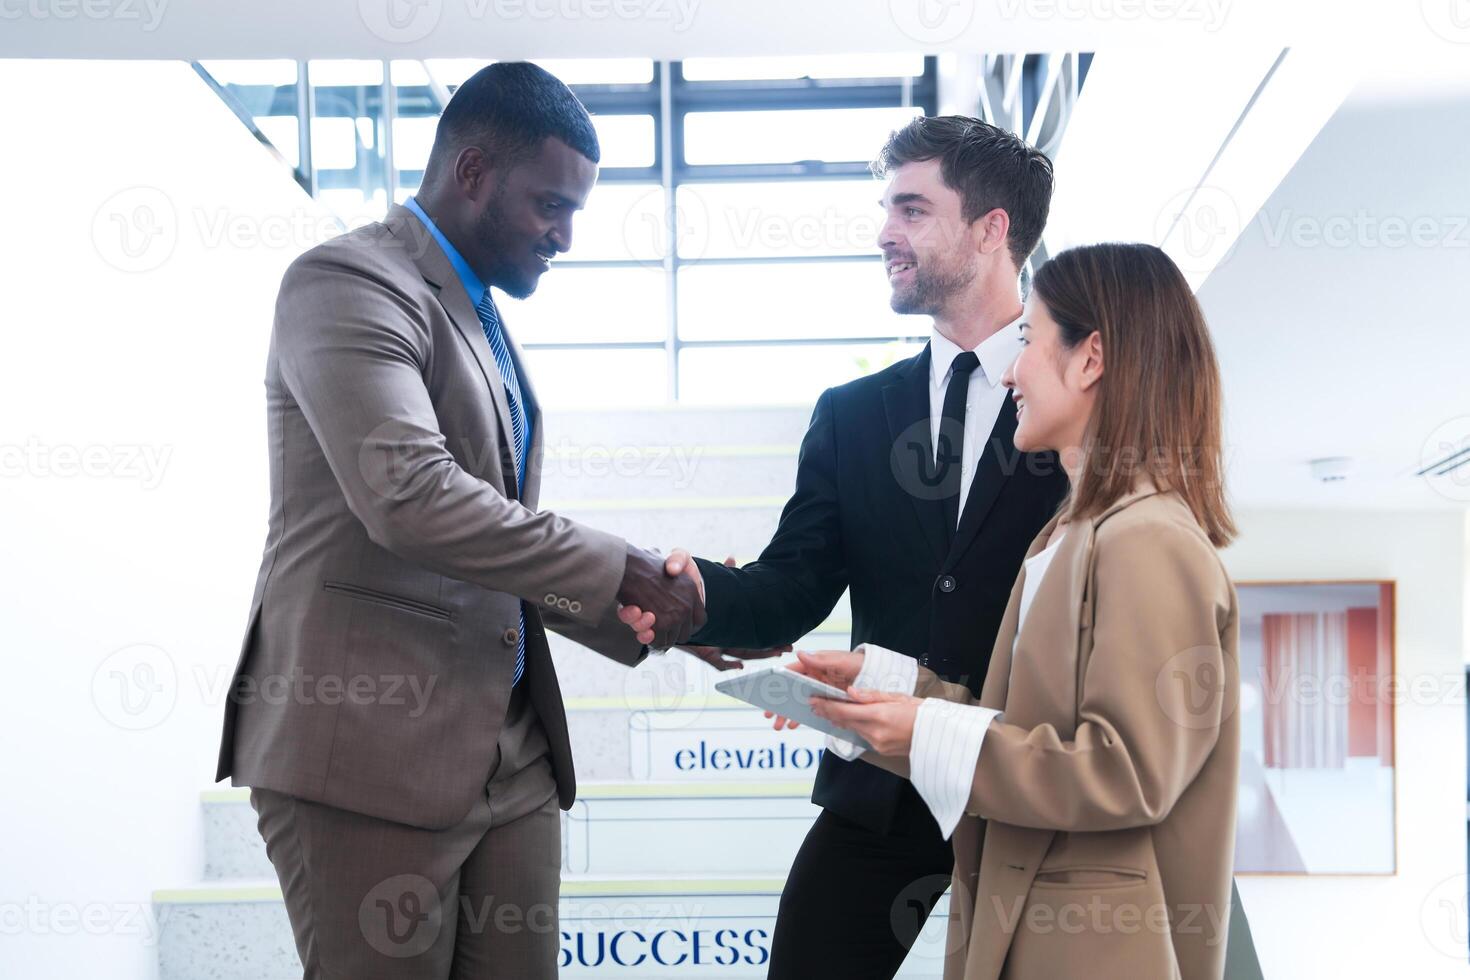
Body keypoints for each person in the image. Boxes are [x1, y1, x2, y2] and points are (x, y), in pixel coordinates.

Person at [212, 62, 711, 978]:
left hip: (509, 752)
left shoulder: (478, 311)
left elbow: (497, 531)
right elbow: (411, 496)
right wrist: (616, 570)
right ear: (472, 171)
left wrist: (641, 610)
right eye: (549, 207)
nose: (564, 237)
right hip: (365, 754)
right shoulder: (346, 282)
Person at [621, 115, 1070, 977]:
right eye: (886, 209)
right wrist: (697, 593)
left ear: (991, 228)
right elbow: (796, 584)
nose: (884, 233)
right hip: (884, 789)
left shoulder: (1083, 399)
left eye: (910, 209)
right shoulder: (853, 414)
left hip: (1028, 780)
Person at [799, 242, 1243, 979]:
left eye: (1030, 340)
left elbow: (1126, 770)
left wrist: (926, 729)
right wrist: (885, 686)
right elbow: (1029, 729)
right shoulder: (1069, 535)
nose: (1009, 369)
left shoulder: (1147, 540)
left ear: (1090, 358)